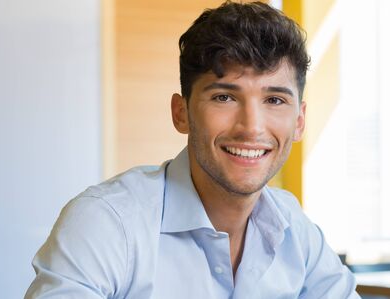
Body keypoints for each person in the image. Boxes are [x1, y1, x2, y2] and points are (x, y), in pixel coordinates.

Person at [25, 1, 360, 298]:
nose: (251, 127)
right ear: (181, 113)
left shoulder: (293, 228)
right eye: (224, 97)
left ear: (299, 121)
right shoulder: (108, 222)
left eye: (274, 100)